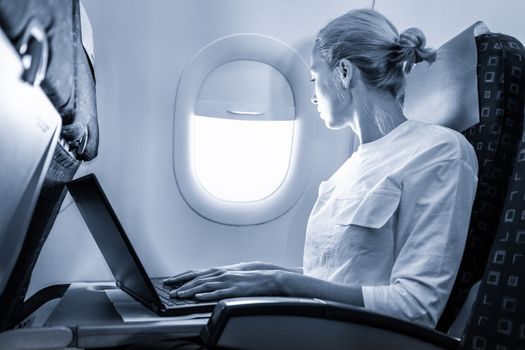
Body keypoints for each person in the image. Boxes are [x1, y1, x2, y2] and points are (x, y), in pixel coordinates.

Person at [163, 8, 478, 328]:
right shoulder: (351, 168)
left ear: (344, 71)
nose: (313, 97)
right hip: (319, 329)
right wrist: (259, 271)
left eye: (315, 79)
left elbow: (415, 309)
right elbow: (337, 280)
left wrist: (279, 284)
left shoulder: (439, 151)